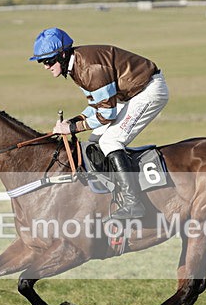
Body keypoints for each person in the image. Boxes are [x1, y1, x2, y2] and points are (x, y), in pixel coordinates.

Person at [30, 27, 170, 219]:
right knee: (95, 141)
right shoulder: (77, 66)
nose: (45, 66)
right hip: (129, 96)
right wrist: (73, 122)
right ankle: (110, 194)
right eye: (41, 62)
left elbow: (106, 114)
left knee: (110, 142)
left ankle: (133, 202)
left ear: (62, 54)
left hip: (148, 92)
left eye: (48, 60)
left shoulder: (88, 68)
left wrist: (71, 128)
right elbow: (96, 106)